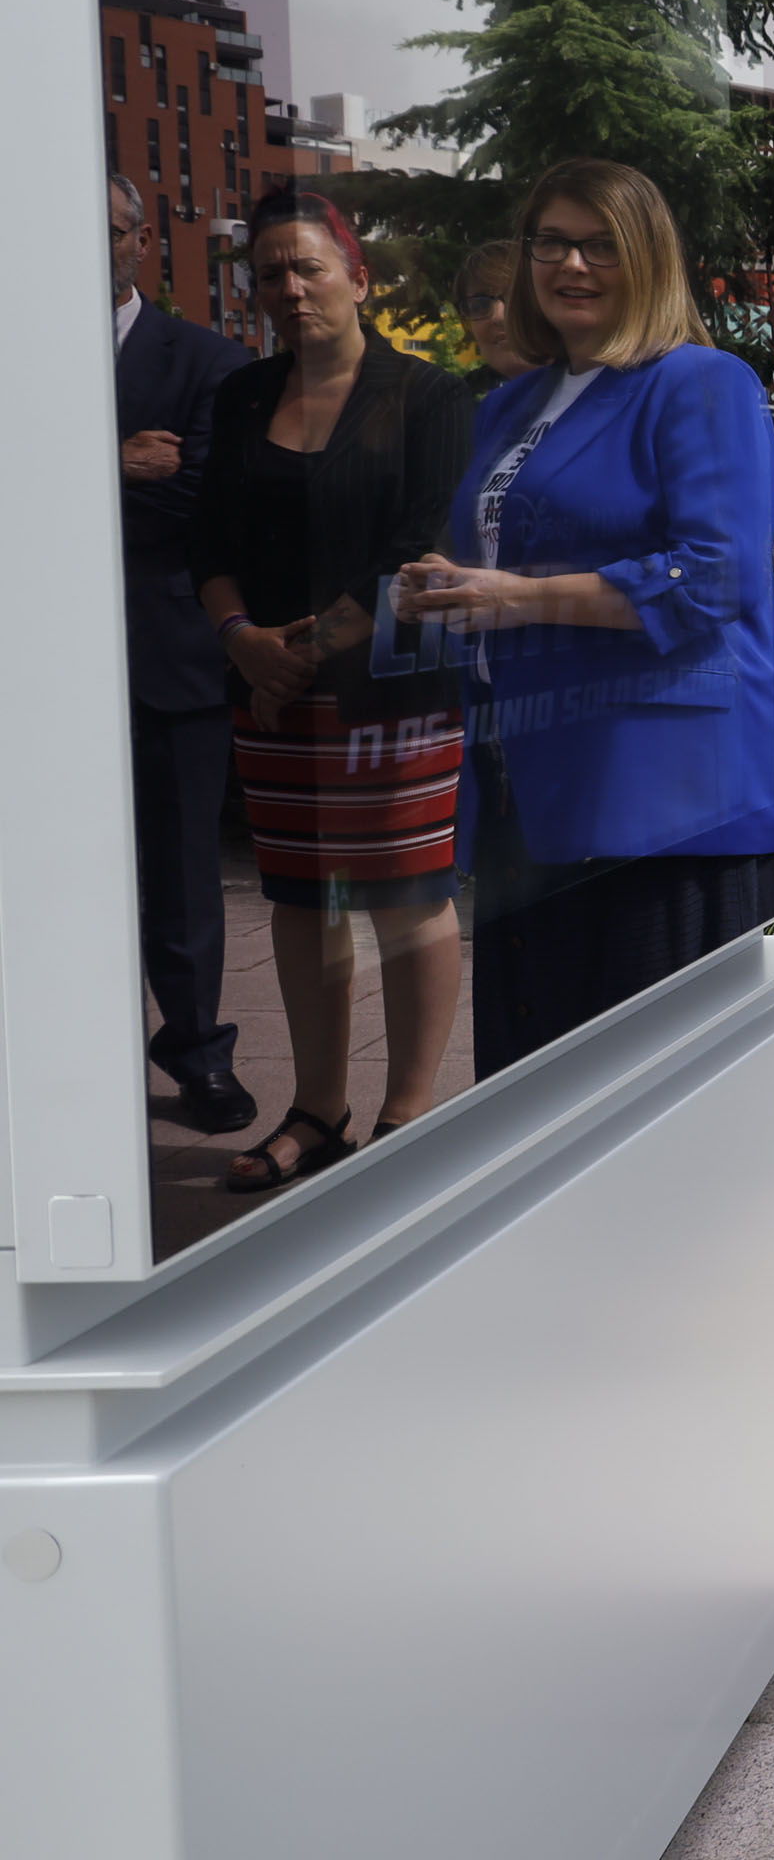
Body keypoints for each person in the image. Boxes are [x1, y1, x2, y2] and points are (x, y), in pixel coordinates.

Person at [398, 159, 774, 1078]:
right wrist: (446, 586)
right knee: (539, 1094)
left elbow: (717, 576)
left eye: (599, 245)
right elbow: (511, 557)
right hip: (529, 778)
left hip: (664, 804)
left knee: (658, 1105)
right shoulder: (511, 405)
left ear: (648, 257)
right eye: (551, 243)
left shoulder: (701, 382)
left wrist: (515, 597)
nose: (570, 265)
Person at [191, 191, 480, 1192]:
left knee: (408, 897)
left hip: (391, 689)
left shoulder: (429, 396)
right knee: (300, 899)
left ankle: (408, 1117)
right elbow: (208, 541)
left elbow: (417, 546)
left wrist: (296, 654)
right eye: (270, 271)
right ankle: (318, 1111)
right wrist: (241, 641)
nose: (290, 287)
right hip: (270, 692)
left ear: (358, 278)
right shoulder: (241, 395)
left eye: (308, 266)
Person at [110, 172, 258, 1135]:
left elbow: (194, 499)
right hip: (36, 670)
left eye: (111, 229)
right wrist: (108, 458)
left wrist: (51, 475)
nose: (95, 246)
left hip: (168, 653)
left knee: (181, 875)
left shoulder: (207, 359)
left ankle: (200, 1054)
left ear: (142, 240)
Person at [451, 237, 540, 399]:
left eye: (516, 298)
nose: (498, 317)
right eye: (479, 305)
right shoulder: (457, 402)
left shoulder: (588, 394)